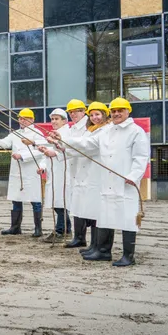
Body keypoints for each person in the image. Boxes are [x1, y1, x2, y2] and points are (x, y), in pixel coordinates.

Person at [63, 98, 149, 266]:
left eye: (120, 110)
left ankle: (128, 256)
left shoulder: (136, 131)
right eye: (114, 111)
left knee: (127, 218)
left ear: (128, 111)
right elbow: (87, 144)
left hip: (125, 183)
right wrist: (63, 141)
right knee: (106, 216)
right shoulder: (107, 131)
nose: (116, 114)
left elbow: (141, 157)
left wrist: (133, 176)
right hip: (106, 182)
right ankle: (103, 251)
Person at [52, 101, 111, 256]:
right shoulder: (91, 129)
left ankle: (100, 248)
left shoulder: (100, 130)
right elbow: (78, 149)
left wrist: (63, 143)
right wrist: (61, 147)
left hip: (94, 173)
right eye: (92, 115)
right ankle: (92, 244)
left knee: (95, 210)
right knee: (83, 207)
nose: (94, 117)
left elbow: (86, 145)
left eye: (97, 114)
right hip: (81, 172)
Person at [0, 109, 47, 237]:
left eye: (25, 118)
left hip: (31, 171)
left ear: (32, 120)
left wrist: (22, 155)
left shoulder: (37, 134)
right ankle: (15, 227)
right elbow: (6, 142)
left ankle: (38, 228)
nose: (22, 121)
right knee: (16, 199)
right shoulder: (15, 133)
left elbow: (41, 151)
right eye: (21, 118)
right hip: (17, 172)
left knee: (35, 200)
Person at [39, 108, 71, 242]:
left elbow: (68, 150)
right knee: (56, 203)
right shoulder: (52, 134)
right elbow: (48, 154)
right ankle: (66, 229)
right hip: (54, 172)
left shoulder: (67, 134)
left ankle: (60, 230)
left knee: (61, 203)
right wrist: (43, 161)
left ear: (64, 121)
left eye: (57, 119)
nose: (54, 121)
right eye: (52, 119)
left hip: (64, 171)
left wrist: (54, 153)